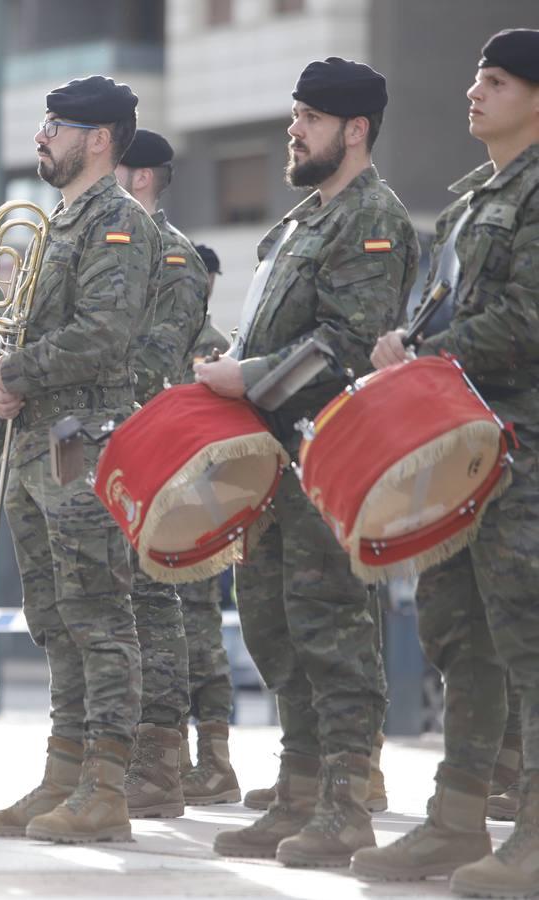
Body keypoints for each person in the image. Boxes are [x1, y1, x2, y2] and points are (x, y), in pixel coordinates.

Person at [196, 57, 418, 867]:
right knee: (273, 624)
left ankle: (346, 803)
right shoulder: (295, 224)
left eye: (310, 119)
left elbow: (348, 345)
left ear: (355, 131)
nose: (293, 130)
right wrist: (223, 366)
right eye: (294, 116)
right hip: (270, 460)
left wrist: (244, 377)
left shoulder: (372, 218)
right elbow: (265, 336)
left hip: (329, 455)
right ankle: (297, 792)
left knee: (330, 630)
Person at [352, 29, 539, 892]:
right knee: (461, 632)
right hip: (460, 447)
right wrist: (408, 344)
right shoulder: (471, 200)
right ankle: (459, 820)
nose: (474, 92)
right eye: (475, 77)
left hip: (522, 449)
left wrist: (427, 357)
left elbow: (526, 322)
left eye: (496, 82)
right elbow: (449, 310)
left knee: (528, 638)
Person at [0, 75, 161, 844]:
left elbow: (103, 334)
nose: (42, 137)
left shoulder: (117, 221)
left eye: (56, 125)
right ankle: (65, 772)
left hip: (87, 441)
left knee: (98, 616)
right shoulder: (60, 221)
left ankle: (107, 783)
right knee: (56, 618)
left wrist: (8, 375)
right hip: (41, 444)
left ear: (99, 139)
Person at [113, 128, 210, 819]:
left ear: (141, 177)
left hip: (151, 444)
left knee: (151, 604)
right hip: (107, 441)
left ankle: (159, 763)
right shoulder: (107, 245)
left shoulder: (171, 255)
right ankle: (112, 757)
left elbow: (156, 357)